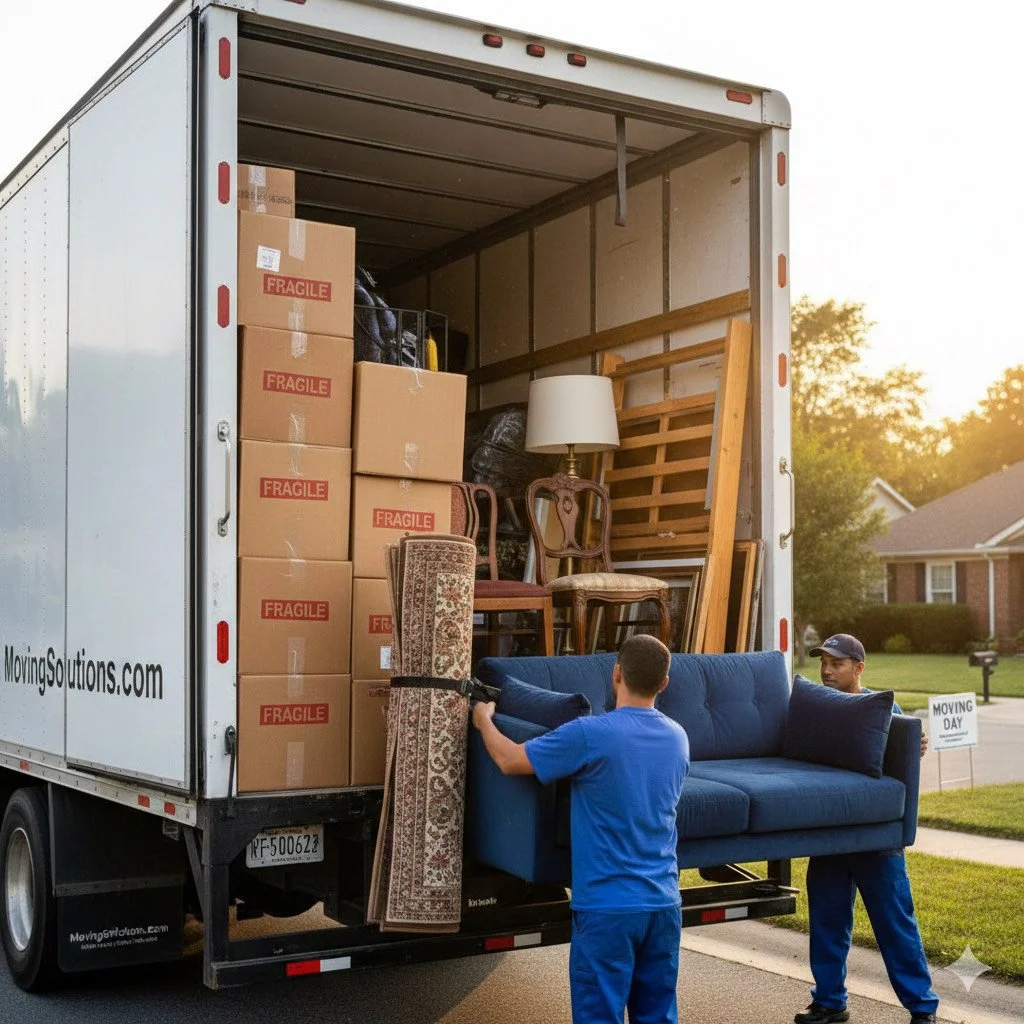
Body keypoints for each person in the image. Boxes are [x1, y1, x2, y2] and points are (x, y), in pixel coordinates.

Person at [471, 634, 690, 1024]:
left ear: (616, 673)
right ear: (664, 683)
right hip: (664, 905)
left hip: (608, 910)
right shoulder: (678, 737)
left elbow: (509, 761)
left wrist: (484, 721)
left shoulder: (591, 734)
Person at [795, 633, 938, 1024]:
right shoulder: (816, 711)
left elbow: (911, 745)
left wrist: (917, 740)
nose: (826, 671)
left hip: (876, 842)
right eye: (823, 662)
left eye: (837, 663)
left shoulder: (883, 709)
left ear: (859, 668)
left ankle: (922, 1009)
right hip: (831, 833)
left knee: (895, 925)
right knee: (827, 920)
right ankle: (829, 1002)